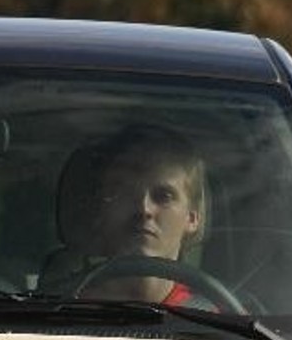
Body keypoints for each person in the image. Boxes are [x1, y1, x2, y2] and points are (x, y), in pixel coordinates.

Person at [48, 123, 208, 304]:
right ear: (101, 210)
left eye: (164, 196)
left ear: (192, 218)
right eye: (125, 193)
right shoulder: (54, 314)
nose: (144, 209)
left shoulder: (219, 318)